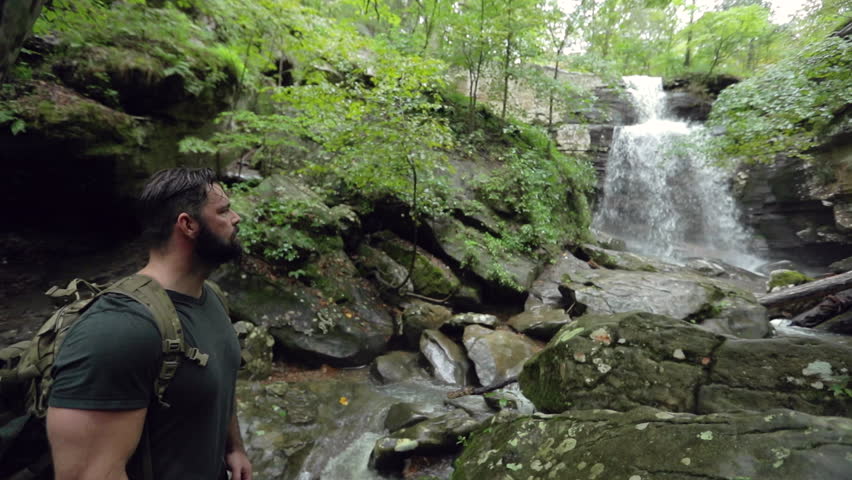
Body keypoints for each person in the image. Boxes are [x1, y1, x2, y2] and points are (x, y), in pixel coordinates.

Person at [45, 168, 253, 480]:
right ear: (188, 224)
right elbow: (89, 474)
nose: (236, 218)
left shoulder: (211, 298)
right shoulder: (118, 329)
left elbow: (216, 383)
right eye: (223, 210)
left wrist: (233, 448)